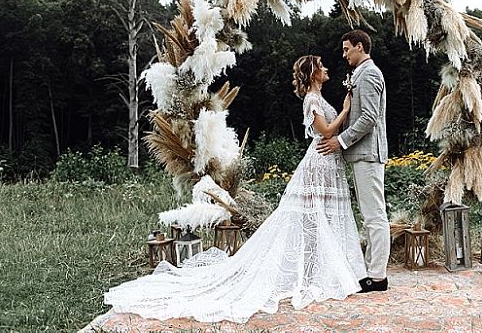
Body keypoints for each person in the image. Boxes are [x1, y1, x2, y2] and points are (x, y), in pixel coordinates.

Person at [103, 55, 366, 323]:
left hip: (329, 164)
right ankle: (308, 271)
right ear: (313, 74)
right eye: (322, 66)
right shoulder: (311, 100)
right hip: (318, 163)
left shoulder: (319, 98)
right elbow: (324, 131)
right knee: (310, 216)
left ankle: (322, 268)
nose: (327, 69)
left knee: (322, 216)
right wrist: (345, 110)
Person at [317, 29, 389, 292]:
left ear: (360, 46)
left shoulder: (369, 74)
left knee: (374, 215)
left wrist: (341, 140)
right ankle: (372, 271)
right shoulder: (361, 74)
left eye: (347, 49)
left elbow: (369, 118)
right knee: (370, 215)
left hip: (368, 154)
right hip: (362, 155)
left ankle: (378, 276)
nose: (344, 54)